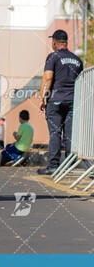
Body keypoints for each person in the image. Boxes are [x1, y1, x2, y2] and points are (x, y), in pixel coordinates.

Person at [37, 29, 83, 175]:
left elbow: (48, 78)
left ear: (55, 42)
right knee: (69, 134)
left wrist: (43, 97)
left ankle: (53, 166)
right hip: (73, 101)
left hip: (56, 100)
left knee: (55, 133)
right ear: (66, 42)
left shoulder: (53, 56)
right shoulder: (77, 60)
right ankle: (69, 166)